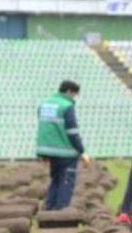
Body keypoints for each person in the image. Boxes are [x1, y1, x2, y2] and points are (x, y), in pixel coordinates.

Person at [35, 80, 90, 211]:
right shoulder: (66, 105)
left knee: (55, 179)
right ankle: (60, 212)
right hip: (65, 151)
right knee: (66, 181)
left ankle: (49, 209)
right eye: (74, 95)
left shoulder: (44, 104)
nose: (74, 98)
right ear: (69, 91)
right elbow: (72, 132)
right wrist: (82, 151)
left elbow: (44, 126)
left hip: (47, 150)